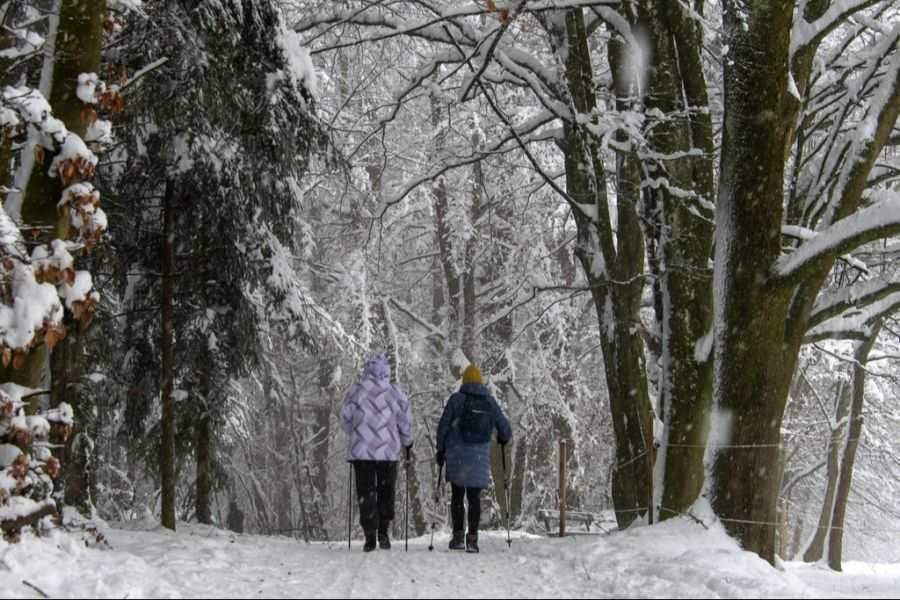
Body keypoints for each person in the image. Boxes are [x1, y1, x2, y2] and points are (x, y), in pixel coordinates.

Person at [339, 355, 414, 552]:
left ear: (367, 371)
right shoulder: (395, 392)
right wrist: (408, 442)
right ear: (387, 373)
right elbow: (405, 421)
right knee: (386, 490)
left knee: (366, 492)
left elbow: (344, 419)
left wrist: (357, 430)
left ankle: (369, 534)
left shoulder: (356, 391)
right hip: (388, 453)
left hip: (362, 452)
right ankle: (383, 530)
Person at [436, 364, 512, 553]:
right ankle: (473, 540)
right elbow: (506, 430)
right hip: (479, 458)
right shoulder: (489, 402)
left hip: (457, 457)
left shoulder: (456, 400)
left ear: (464, 381)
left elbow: (443, 426)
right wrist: (502, 437)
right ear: (480, 381)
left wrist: (440, 450)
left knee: (457, 495)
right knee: (474, 498)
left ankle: (458, 537)